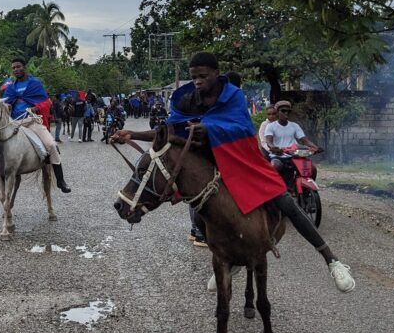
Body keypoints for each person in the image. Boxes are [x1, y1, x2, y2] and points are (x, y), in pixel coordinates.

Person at [113, 51, 355, 293]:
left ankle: (331, 260)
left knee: (284, 200)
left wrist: (209, 129)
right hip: (210, 162)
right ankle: (227, 260)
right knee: (198, 211)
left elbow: (241, 128)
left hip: (241, 160)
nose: (197, 82)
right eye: (194, 77)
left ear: (216, 74)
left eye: (203, 76)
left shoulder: (233, 96)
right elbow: (170, 132)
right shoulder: (187, 100)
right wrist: (132, 134)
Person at [0, 57, 71, 197]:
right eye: (14, 68)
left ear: (24, 67)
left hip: (32, 121)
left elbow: (47, 102)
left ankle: (61, 181)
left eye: (18, 67)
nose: (16, 69)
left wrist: (37, 107)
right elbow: (5, 106)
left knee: (51, 145)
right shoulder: (11, 88)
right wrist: (7, 107)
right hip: (15, 123)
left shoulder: (35, 83)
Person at [265, 100, 322, 184]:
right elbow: (268, 141)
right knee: (275, 166)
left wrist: (316, 147)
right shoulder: (271, 126)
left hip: (294, 155)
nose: (286, 113)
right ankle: (273, 188)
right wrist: (273, 148)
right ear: (277, 112)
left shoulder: (294, 126)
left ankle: (309, 189)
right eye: (283, 111)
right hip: (278, 156)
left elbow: (305, 140)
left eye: (288, 111)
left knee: (312, 169)